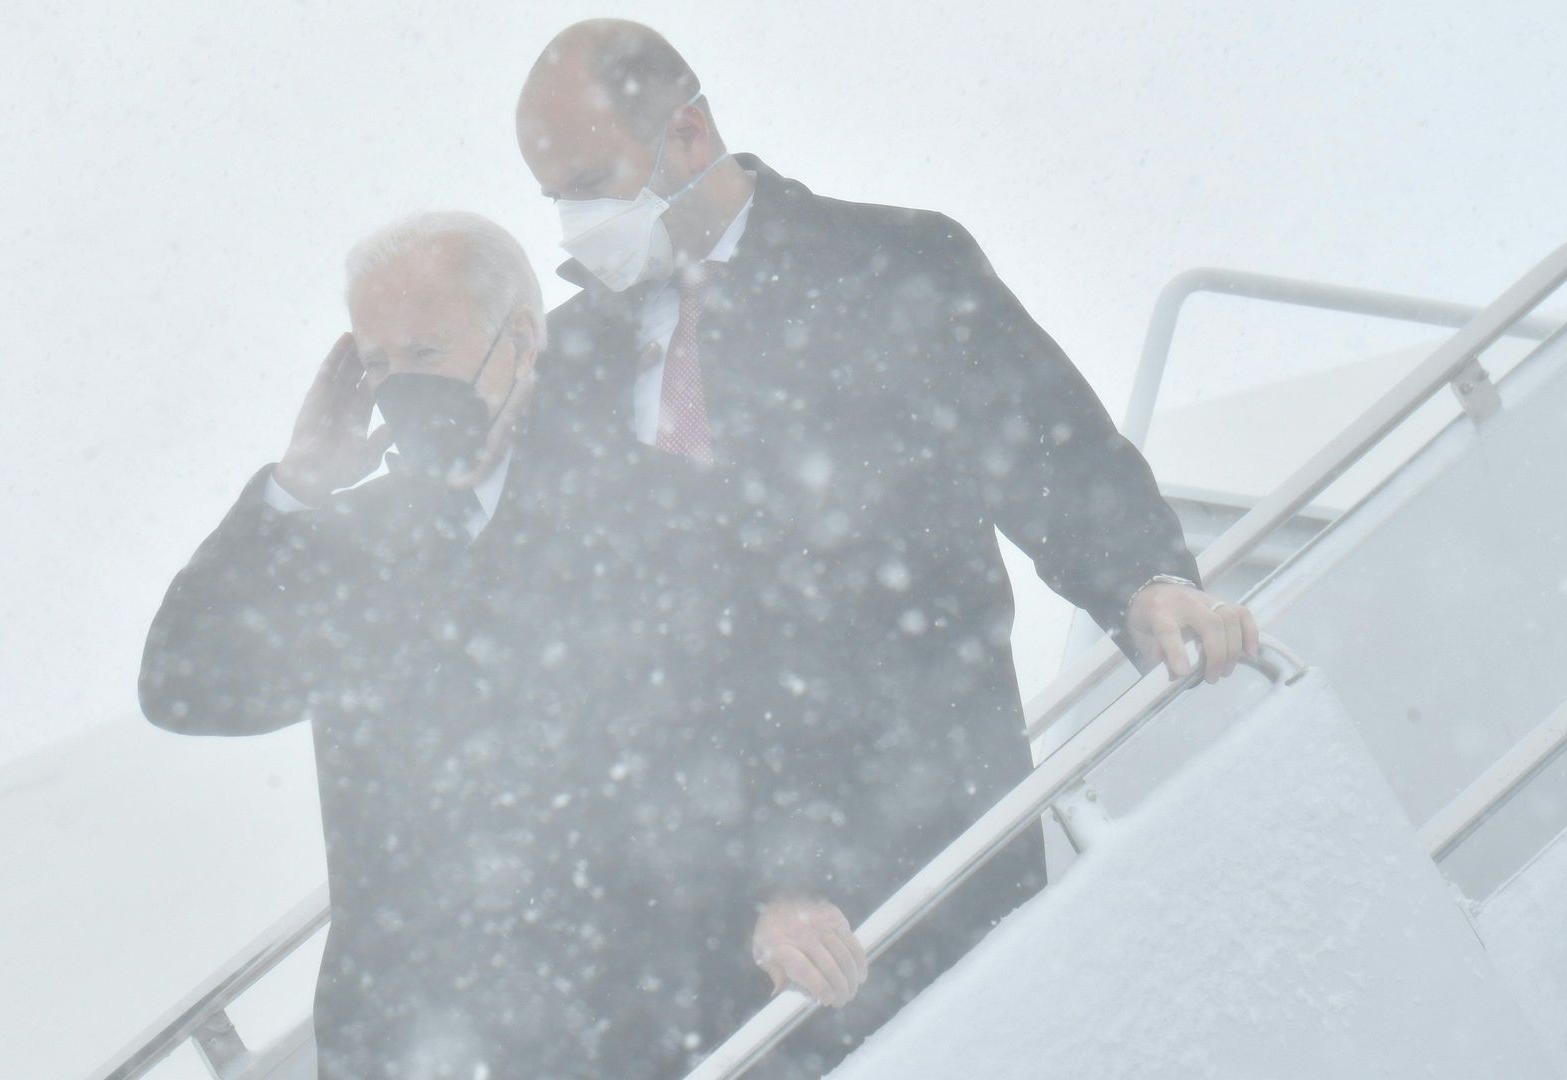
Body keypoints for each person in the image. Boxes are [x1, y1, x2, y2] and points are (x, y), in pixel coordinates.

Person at [515, 19, 1261, 1075]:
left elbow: (1047, 446)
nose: (574, 223)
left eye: (590, 181)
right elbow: (602, 650)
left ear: (685, 135)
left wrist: (1146, 581)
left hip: (922, 823)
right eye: (554, 196)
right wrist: (750, 875)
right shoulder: (577, 364)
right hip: (702, 907)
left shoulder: (889, 264)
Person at [137, 212, 807, 1077]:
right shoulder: (348, 549)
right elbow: (184, 686)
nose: (396, 385)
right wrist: (297, 488)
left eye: (423, 353)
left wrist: (791, 888)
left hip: (632, 1020)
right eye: (377, 364)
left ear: (521, 340)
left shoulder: (659, 509)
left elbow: (762, 727)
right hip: (410, 1038)